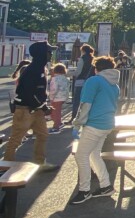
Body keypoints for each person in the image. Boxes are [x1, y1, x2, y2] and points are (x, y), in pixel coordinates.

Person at [70, 55, 120, 204]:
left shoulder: (94, 81)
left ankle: (84, 190)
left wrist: (78, 123)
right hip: (107, 124)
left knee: (81, 156)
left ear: (96, 69)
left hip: (94, 124)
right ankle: (105, 186)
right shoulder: (114, 84)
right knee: (94, 155)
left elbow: (85, 104)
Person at [4, 42, 58, 170]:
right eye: (49, 52)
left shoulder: (39, 68)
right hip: (25, 109)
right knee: (16, 139)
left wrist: (42, 106)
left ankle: (39, 163)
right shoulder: (32, 70)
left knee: (43, 134)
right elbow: (28, 92)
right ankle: (5, 167)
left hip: (36, 109)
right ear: (41, 54)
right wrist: (43, 106)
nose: (51, 54)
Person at [70, 43, 95, 120]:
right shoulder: (93, 59)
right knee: (88, 100)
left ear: (83, 51)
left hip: (81, 81)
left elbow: (78, 72)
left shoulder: (82, 59)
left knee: (77, 100)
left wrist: (68, 73)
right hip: (91, 81)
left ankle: (74, 117)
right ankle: (87, 117)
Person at [47, 63, 69, 134]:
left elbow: (54, 89)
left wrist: (51, 97)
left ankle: (56, 127)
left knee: (55, 112)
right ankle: (59, 123)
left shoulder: (55, 79)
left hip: (56, 98)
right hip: (63, 97)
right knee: (58, 112)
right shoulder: (65, 79)